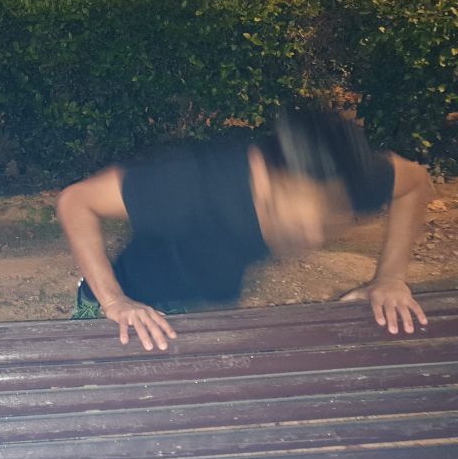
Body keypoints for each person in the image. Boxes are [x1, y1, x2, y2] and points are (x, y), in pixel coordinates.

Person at [56, 107, 432, 351]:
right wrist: (115, 301)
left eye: (331, 215)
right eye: (305, 214)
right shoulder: (193, 183)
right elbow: (76, 200)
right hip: (128, 300)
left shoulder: (349, 179)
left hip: (209, 307)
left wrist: (390, 278)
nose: (316, 235)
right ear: (267, 180)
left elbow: (415, 182)